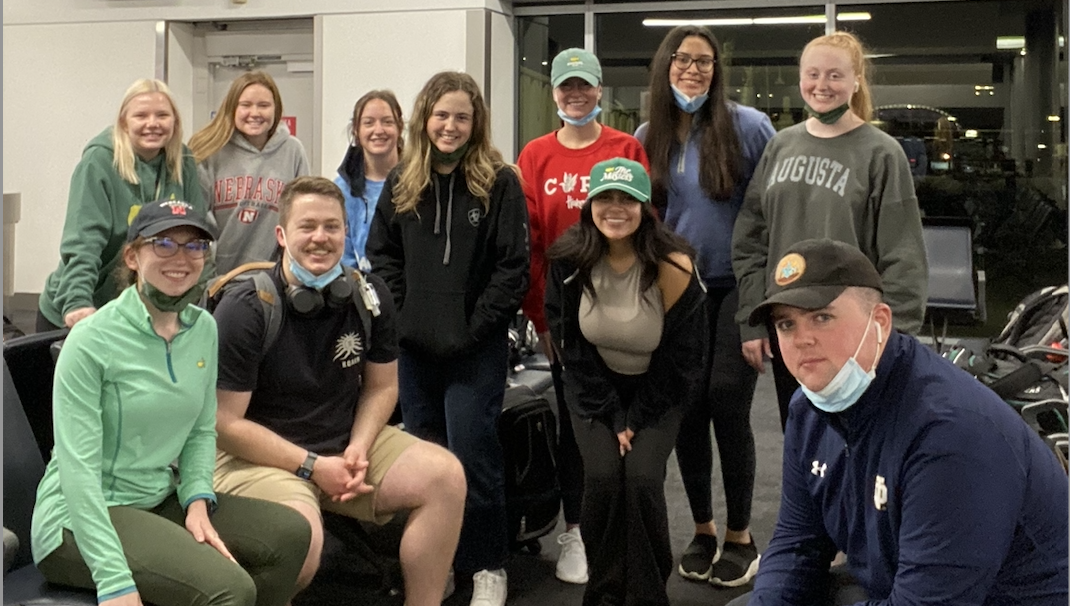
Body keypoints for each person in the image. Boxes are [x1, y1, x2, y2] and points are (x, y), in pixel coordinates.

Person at [730, 238, 1069, 606]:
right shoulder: (808, 410)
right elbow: (797, 541)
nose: (801, 340)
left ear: (880, 321)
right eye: (785, 324)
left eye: (822, 317)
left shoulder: (950, 431)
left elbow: (926, 603)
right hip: (899, 582)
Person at [31, 200, 311, 606]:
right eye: (163, 244)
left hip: (157, 497)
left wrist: (197, 497)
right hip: (81, 516)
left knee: (289, 533)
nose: (181, 258)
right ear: (132, 255)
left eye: (195, 246)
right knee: (231, 590)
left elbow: (201, 429)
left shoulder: (203, 329)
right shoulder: (92, 340)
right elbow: (77, 470)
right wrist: (113, 580)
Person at [212, 176, 467, 606]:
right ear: (281, 235)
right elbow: (224, 424)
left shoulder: (369, 298)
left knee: (445, 476)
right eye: (307, 226)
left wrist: (359, 448)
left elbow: (383, 388)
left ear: (346, 232)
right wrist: (312, 466)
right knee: (301, 542)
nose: (320, 238)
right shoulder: (247, 308)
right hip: (257, 458)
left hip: (340, 446)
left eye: (332, 227)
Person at [366, 71, 529, 606]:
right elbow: (382, 254)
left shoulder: (499, 181)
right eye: (441, 115)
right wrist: (403, 315)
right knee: (427, 458)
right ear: (424, 119)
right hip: (414, 351)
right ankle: (441, 563)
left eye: (462, 116)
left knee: (472, 455)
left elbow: (512, 269)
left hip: (475, 351)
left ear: (475, 122)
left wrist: (473, 329)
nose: (450, 126)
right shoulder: (403, 180)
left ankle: (487, 564)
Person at [634, 25, 774, 586]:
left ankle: (742, 536)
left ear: (717, 70)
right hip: (679, 288)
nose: (693, 70)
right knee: (688, 405)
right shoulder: (649, 134)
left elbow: (769, 213)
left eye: (704, 61)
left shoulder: (749, 127)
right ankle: (704, 529)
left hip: (738, 281)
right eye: (682, 59)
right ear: (665, 66)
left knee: (726, 397)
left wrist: (763, 305)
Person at [731, 31, 928, 430]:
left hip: (851, 332)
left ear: (856, 80)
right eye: (813, 74)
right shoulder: (780, 146)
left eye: (835, 76)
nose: (822, 85)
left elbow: (903, 254)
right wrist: (754, 318)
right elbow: (750, 238)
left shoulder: (881, 153)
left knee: (859, 447)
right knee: (802, 443)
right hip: (791, 324)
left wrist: (891, 338)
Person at [544, 158, 708, 606]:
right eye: (605, 199)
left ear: (645, 208)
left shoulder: (674, 266)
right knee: (600, 477)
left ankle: (649, 595)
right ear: (590, 205)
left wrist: (635, 418)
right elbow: (570, 349)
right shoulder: (567, 261)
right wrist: (612, 415)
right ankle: (604, 592)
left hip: (657, 390)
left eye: (628, 200)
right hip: (593, 389)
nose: (616, 209)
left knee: (640, 479)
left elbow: (683, 361)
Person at [516, 47, 649, 585]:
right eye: (566, 87)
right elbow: (530, 243)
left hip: (624, 307)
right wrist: (540, 320)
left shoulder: (625, 147)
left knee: (632, 425)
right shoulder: (535, 155)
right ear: (554, 94)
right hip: (562, 316)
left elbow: (646, 227)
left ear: (599, 91)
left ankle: (629, 530)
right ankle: (577, 530)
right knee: (577, 428)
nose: (575, 95)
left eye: (584, 87)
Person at [37, 79, 206, 333]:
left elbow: (197, 237)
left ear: (175, 122)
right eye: (141, 115)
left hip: (147, 311)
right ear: (124, 123)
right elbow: (84, 241)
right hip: (89, 307)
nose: (152, 123)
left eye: (162, 115)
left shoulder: (184, 163)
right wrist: (77, 301)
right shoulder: (100, 162)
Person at [189, 70, 310, 275]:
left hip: (274, 278)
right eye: (245, 105)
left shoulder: (293, 150)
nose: (255, 113)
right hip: (217, 278)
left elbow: (302, 218)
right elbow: (195, 221)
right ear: (232, 108)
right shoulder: (209, 151)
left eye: (264, 105)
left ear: (276, 109)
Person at [336, 89, 404, 272]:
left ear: (400, 128)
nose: (378, 130)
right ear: (356, 131)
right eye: (369, 123)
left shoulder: (418, 182)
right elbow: (341, 256)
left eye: (387, 122)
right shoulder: (340, 191)